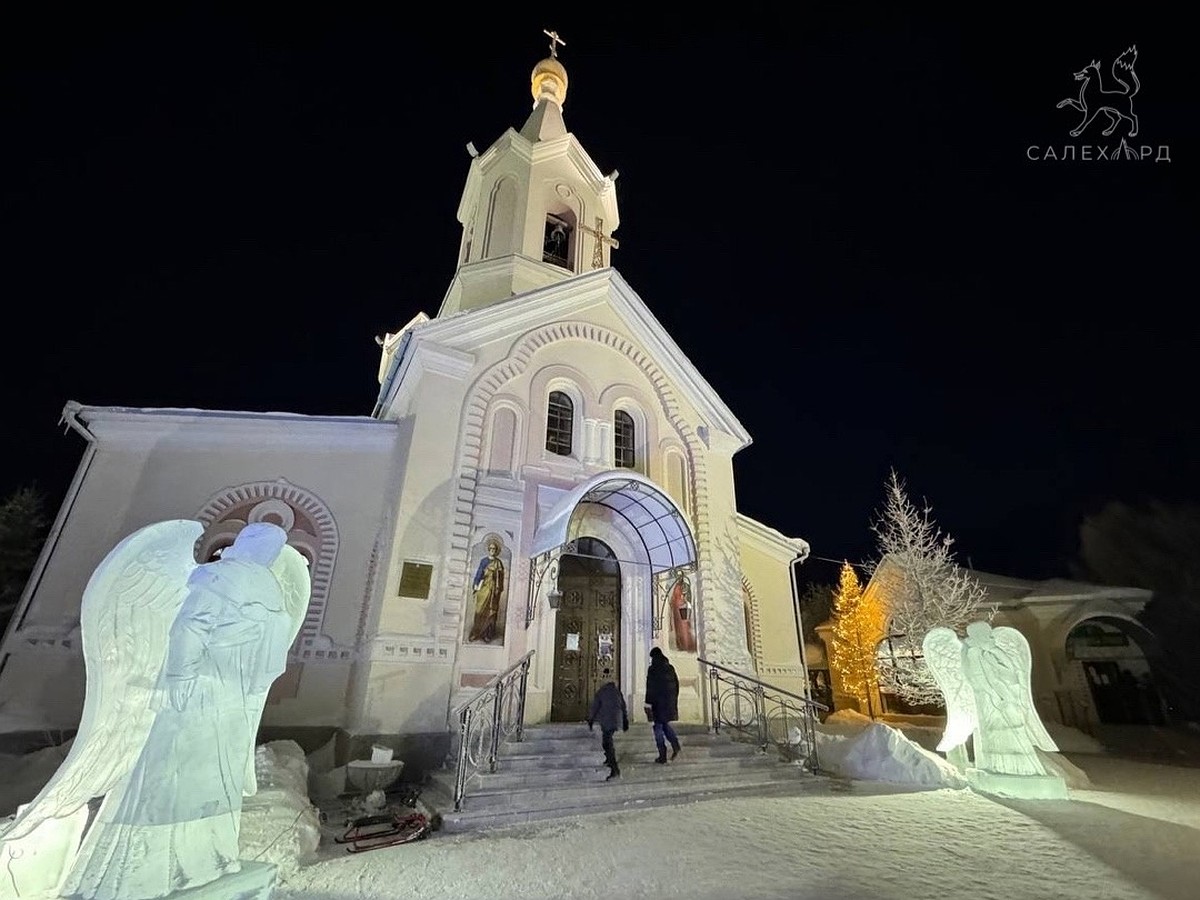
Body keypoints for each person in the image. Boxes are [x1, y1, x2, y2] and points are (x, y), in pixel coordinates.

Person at [587, 668, 628, 781]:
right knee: (607, 741)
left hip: (606, 721)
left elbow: (595, 707)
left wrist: (590, 720)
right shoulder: (617, 691)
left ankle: (614, 769)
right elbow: (623, 707)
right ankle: (609, 760)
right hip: (615, 720)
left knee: (607, 743)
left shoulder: (601, 692)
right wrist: (625, 722)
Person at [644, 647, 681, 764]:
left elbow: (650, 688)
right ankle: (675, 745)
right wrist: (673, 699)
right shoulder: (670, 668)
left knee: (658, 727)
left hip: (658, 703)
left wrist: (648, 703)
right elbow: (677, 685)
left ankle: (662, 754)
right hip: (669, 702)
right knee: (664, 724)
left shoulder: (653, 669)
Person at [468, 537, 506, 642]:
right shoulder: (484, 561)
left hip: (494, 590)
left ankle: (488, 634)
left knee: (491, 612)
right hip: (484, 587)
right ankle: (476, 632)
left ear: (496, 551)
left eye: (494, 549)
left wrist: (498, 587)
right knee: (479, 610)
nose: (492, 550)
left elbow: (501, 578)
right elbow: (479, 573)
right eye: (491, 549)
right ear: (489, 550)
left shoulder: (499, 563)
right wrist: (476, 584)